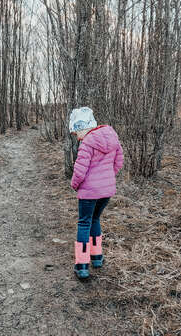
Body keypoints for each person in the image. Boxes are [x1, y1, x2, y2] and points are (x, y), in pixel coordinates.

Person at [69, 107, 123, 279]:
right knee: (95, 219)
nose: (77, 136)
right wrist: (107, 179)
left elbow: (80, 170)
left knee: (84, 223)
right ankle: (97, 258)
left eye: (76, 131)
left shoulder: (87, 143)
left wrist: (75, 185)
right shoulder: (112, 136)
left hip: (89, 192)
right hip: (106, 191)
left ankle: (82, 265)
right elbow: (119, 162)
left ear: (83, 127)